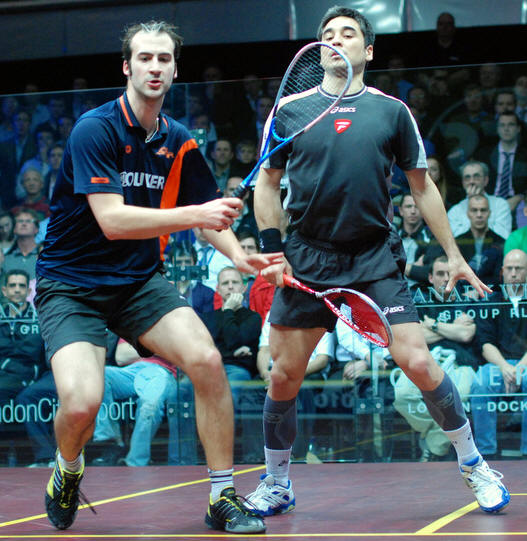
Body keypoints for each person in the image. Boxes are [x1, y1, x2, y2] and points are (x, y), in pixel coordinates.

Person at [245, 5, 510, 517]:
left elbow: (421, 186)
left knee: (419, 362)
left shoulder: (392, 111)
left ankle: (473, 463)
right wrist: (274, 250)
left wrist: (453, 253)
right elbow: (268, 185)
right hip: (307, 258)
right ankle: (277, 482)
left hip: (373, 257)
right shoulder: (291, 110)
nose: (336, 41)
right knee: (283, 375)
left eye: (347, 34)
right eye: (327, 35)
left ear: (367, 50)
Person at [34, 20, 277, 534]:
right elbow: (113, 220)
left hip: (138, 282)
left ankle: (221, 497)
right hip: (71, 285)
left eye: (164, 59)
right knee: (81, 403)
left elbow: (209, 218)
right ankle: (68, 468)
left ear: (174, 70)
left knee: (207, 361)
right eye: (144, 58)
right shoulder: (95, 129)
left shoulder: (178, 141)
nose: (154, 67)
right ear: (127, 66)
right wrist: (196, 215)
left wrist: (239, 255)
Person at [394, 255, 479, 461]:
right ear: (431, 278)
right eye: (440, 274)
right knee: (402, 396)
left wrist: (432, 326)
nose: (445, 279)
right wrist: (452, 330)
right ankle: (435, 437)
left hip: (460, 362)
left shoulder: (466, 299)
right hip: (424, 360)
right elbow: (417, 336)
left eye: (450, 274)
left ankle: (433, 451)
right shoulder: (419, 300)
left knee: (458, 397)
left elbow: (466, 334)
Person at [91, 338, 196, 467]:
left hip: (162, 371)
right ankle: (110, 439)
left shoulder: (171, 326)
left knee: (149, 405)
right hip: (133, 370)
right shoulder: (132, 326)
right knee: (99, 375)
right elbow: (121, 357)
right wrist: (158, 346)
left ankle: (135, 462)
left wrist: (139, 347)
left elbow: (179, 351)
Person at [470, 249, 527, 459]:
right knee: (481, 383)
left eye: (519, 269)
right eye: (509, 269)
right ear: (502, 272)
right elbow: (485, 344)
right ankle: (486, 452)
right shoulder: (490, 300)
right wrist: (505, 368)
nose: (513, 273)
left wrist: (519, 369)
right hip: (498, 364)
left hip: (525, 364)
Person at [0, 269, 46, 464]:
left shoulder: (37, 318)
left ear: (28, 291)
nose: (17, 290)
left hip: (30, 374)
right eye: (12, 285)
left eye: (21, 286)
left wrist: (8, 357)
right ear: (4, 290)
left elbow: (31, 350)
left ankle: (36, 456)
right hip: (6, 374)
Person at [447, 160, 511, 239]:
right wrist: (472, 201)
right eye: (467, 177)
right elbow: (456, 240)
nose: (472, 181)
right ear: (463, 183)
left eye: (476, 177)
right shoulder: (454, 211)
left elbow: (503, 235)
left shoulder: (501, 205)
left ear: (485, 180)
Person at [2, 208, 41, 281]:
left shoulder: (44, 256)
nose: (24, 224)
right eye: (20, 221)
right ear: (14, 229)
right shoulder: (5, 259)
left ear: (36, 229)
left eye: (28, 221)